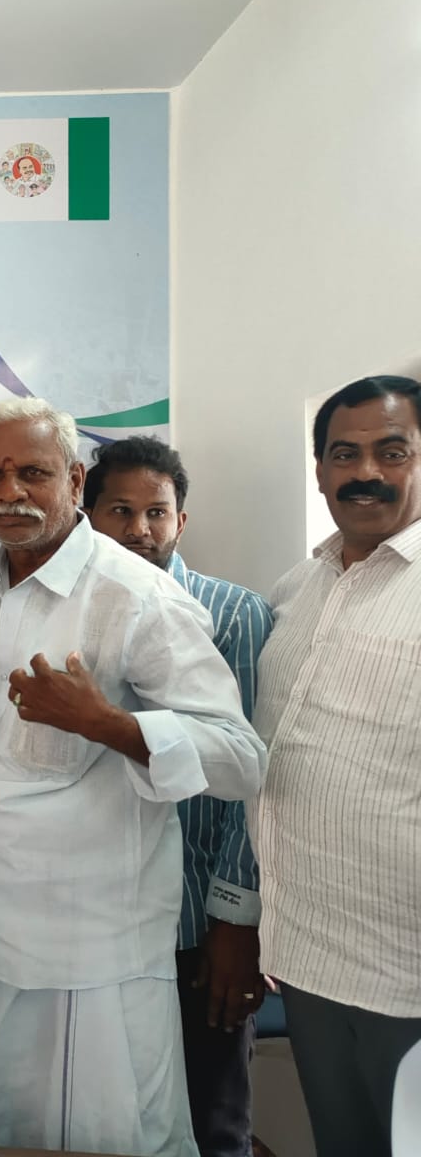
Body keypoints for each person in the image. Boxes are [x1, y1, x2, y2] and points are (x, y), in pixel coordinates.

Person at [0, 397, 265, 1157]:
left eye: (33, 472)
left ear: (74, 480)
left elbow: (240, 758)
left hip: (94, 945)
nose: (10, 492)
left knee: (108, 1136)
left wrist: (107, 723)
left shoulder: (137, 595)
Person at [85, 436, 272, 1157]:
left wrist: (235, 922)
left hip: (196, 923)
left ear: (181, 521)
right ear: (88, 515)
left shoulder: (233, 613)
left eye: (156, 513)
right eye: (119, 511)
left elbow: (253, 784)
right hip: (102, 915)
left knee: (212, 1119)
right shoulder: (75, 611)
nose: (139, 530)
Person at [252, 375, 421, 1156]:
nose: (366, 473)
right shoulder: (297, 587)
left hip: (407, 968)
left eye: (393, 451)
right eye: (344, 454)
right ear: (318, 469)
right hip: (307, 955)